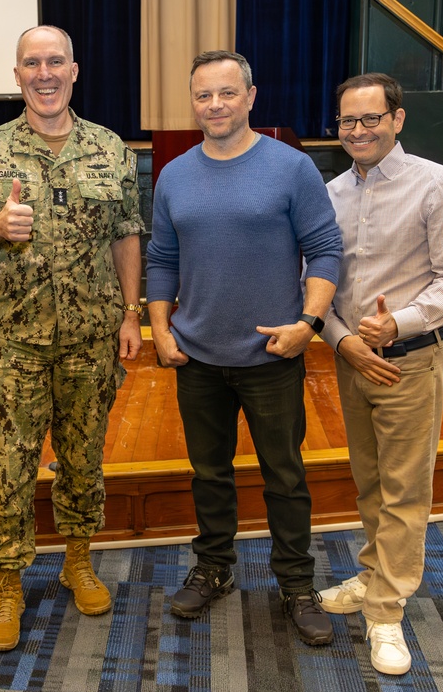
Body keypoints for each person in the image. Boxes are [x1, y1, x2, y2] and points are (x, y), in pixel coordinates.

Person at [0, 25, 143, 652]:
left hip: (90, 336)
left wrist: (131, 314)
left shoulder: (110, 148)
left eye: (55, 61)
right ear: (18, 76)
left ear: (74, 70)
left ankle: (77, 559)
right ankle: (7, 584)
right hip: (13, 341)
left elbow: (127, 232)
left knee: (84, 456)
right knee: (8, 462)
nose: (45, 73)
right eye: (32, 63)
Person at [146, 50, 342, 645]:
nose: (215, 105)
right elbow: (161, 259)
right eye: (204, 95)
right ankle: (214, 569)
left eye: (227, 93)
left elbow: (327, 248)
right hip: (198, 358)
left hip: (272, 357)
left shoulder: (290, 168)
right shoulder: (175, 175)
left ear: (251, 97)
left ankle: (297, 583)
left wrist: (307, 323)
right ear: (193, 102)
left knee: (284, 476)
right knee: (209, 474)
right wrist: (159, 329)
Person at [317, 73, 443, 675]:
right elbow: (321, 284)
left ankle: (385, 610)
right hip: (354, 361)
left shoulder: (437, 186)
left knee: (405, 490)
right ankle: (370, 575)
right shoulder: (331, 194)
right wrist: (343, 341)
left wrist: (398, 324)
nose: (358, 131)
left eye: (370, 119)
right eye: (347, 122)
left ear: (397, 119)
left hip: (409, 361)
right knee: (370, 483)